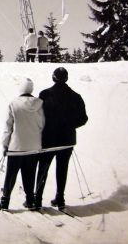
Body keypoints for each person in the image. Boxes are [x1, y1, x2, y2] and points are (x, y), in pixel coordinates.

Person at [34, 67, 88, 210]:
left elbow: (38, 116)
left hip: (48, 139)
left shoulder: (44, 94)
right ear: (66, 78)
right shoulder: (76, 96)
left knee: (43, 168)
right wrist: (69, 125)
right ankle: (60, 198)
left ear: (53, 78)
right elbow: (83, 119)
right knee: (62, 168)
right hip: (67, 140)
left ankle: (37, 200)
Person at [0, 78, 45, 211]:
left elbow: (8, 127)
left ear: (21, 89)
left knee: (11, 175)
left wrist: (5, 145)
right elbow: (42, 124)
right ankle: (30, 201)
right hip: (33, 146)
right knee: (30, 174)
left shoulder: (13, 104)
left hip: (16, 147)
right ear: (31, 89)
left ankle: (5, 202)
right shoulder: (40, 104)